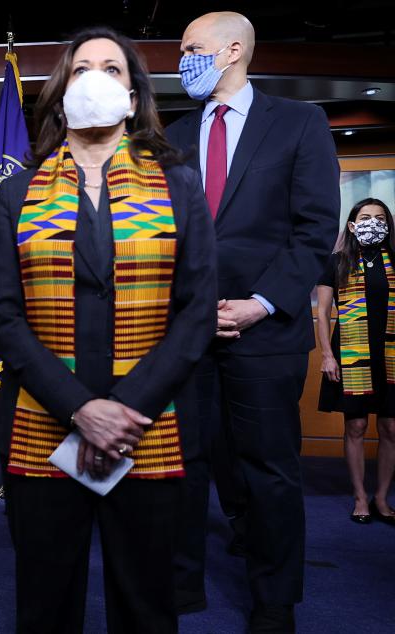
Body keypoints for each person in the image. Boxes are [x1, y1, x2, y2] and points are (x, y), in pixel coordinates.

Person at [0, 27, 216, 633]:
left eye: (112, 68)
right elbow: (4, 316)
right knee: (44, 602)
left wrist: (122, 408)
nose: (95, 78)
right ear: (62, 94)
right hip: (42, 423)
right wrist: (80, 408)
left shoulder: (179, 185)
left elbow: (196, 312)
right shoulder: (15, 193)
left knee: (146, 604)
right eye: (81, 67)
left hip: (151, 425)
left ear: (134, 97)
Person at [166, 11, 340, 631]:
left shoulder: (299, 122)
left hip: (265, 334)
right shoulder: (174, 134)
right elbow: (160, 238)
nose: (181, 58)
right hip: (184, 335)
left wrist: (262, 303)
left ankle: (273, 602)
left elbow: (316, 228)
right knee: (180, 466)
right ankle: (179, 591)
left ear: (231, 49)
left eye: (190, 48)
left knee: (267, 471)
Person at [316, 198, 395, 526]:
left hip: (390, 354)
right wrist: (326, 355)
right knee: (357, 425)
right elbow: (321, 313)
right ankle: (361, 496)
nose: (372, 222)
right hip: (351, 354)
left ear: (388, 225)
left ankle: (381, 497)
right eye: (365, 217)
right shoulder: (336, 262)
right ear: (351, 225)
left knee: (391, 427)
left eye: (379, 218)